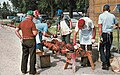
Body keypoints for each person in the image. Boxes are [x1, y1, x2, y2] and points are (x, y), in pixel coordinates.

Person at [15, 10, 38, 75]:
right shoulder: (32, 23)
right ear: (30, 16)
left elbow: (16, 31)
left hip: (24, 40)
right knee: (32, 56)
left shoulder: (22, 22)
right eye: (32, 17)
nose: (33, 18)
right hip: (31, 40)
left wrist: (21, 38)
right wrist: (37, 31)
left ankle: (23, 70)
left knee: (24, 55)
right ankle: (32, 71)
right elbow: (34, 33)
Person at [98, 4, 118, 70]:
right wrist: (116, 26)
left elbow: (100, 27)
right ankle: (107, 62)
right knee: (108, 48)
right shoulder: (112, 16)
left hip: (104, 33)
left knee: (101, 48)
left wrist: (100, 36)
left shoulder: (101, 16)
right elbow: (117, 24)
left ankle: (104, 63)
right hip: (110, 34)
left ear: (103, 9)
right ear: (109, 9)